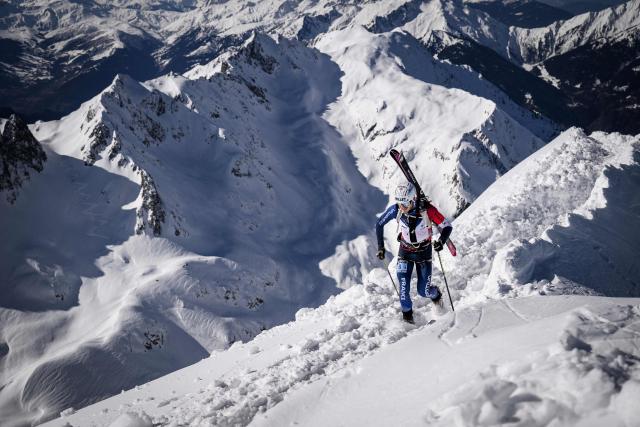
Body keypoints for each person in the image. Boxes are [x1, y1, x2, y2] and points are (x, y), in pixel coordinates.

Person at [375, 182, 453, 324]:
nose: (401, 208)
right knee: (403, 291)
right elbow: (379, 223)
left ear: (413, 200)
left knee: (423, 291)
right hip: (405, 252)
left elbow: (447, 226)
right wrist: (381, 247)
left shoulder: (428, 211)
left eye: (404, 204)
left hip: (424, 253)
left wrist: (441, 241)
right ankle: (409, 326)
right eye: (399, 203)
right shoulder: (396, 210)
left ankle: (436, 295)